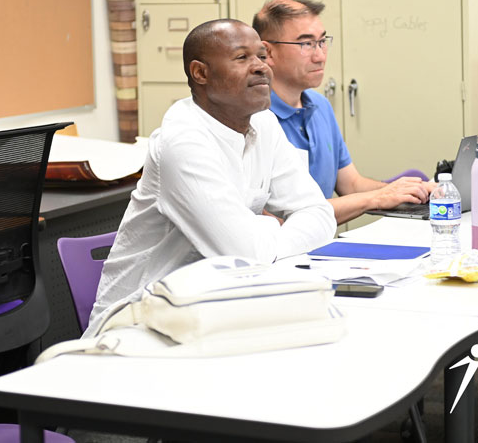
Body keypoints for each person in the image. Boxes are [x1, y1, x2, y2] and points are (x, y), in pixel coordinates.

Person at [85, 19, 336, 336]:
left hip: (216, 304)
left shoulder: (264, 123)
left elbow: (320, 215)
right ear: (200, 73)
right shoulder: (183, 143)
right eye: (242, 58)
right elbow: (246, 254)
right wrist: (273, 224)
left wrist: (261, 237)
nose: (260, 67)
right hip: (138, 320)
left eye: (261, 56)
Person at [252, 0, 436, 225]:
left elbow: (351, 185)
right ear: (267, 52)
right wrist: (377, 197)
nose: (319, 56)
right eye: (306, 44)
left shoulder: (320, 106)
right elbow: (283, 220)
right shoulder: (253, 119)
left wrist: (409, 191)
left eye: (322, 42)